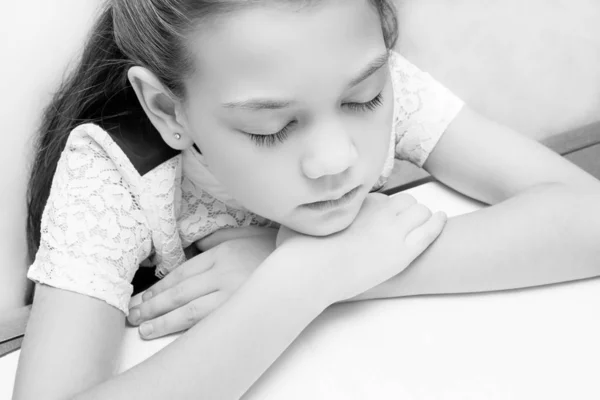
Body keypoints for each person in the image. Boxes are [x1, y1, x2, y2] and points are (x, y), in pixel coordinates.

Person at [14, 0, 600, 399]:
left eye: (366, 99)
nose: (335, 158)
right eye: (270, 129)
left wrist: (331, 266)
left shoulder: (354, 79)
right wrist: (296, 283)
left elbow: (588, 220)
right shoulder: (112, 171)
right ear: (168, 110)